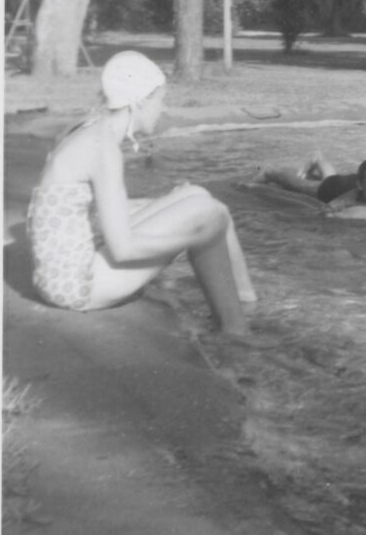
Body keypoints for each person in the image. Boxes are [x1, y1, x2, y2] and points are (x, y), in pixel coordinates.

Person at [27, 50, 259, 340]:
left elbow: (79, 210)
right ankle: (236, 333)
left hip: (62, 269)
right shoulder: (103, 149)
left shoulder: (88, 130)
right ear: (138, 102)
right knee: (208, 217)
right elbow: (122, 249)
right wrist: (192, 237)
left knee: (197, 195)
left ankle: (246, 303)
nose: (164, 109)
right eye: (161, 100)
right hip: (75, 285)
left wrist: (170, 209)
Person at [255, 155, 366, 217]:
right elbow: (329, 209)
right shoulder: (351, 196)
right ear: (361, 186)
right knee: (303, 186)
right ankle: (271, 172)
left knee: (331, 176)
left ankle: (319, 160)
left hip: (358, 179)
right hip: (335, 188)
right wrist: (329, 211)